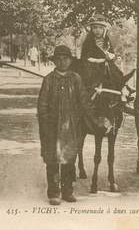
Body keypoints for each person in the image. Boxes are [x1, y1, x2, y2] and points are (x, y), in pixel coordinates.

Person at [37, 45, 106, 206]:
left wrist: (96, 120)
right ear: (54, 61)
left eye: (65, 59)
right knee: (53, 159)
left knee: (69, 159)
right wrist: (46, 123)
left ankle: (67, 191)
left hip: (71, 126)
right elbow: (42, 105)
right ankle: (54, 193)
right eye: (59, 59)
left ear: (70, 61)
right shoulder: (48, 80)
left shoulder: (76, 79)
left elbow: (84, 102)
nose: (62, 62)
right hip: (52, 127)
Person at [80, 14, 122, 88]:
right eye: (95, 28)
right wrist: (102, 60)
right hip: (92, 67)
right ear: (92, 29)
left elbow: (111, 53)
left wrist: (112, 56)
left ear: (104, 29)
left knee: (117, 74)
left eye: (100, 28)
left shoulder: (107, 41)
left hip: (106, 65)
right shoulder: (89, 42)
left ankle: (122, 89)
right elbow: (85, 58)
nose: (97, 30)